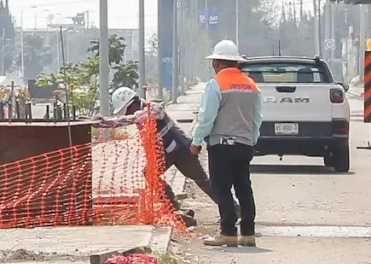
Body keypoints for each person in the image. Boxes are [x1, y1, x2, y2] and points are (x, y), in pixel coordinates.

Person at [193, 39, 262, 246]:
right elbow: (257, 118)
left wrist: (196, 140)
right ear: (237, 63)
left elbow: (207, 118)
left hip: (221, 145)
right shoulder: (251, 85)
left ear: (216, 63)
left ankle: (228, 233)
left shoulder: (216, 84)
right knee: (244, 188)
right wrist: (251, 139)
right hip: (245, 144)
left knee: (221, 189)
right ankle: (248, 233)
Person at [105, 84, 214, 208]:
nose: (128, 113)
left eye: (127, 110)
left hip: (182, 150)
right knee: (150, 174)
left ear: (133, 104)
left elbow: (140, 116)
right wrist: (103, 122)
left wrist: (122, 119)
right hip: (164, 154)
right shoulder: (138, 116)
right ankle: (174, 208)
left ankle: (229, 208)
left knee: (203, 182)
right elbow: (128, 120)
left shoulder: (153, 108)